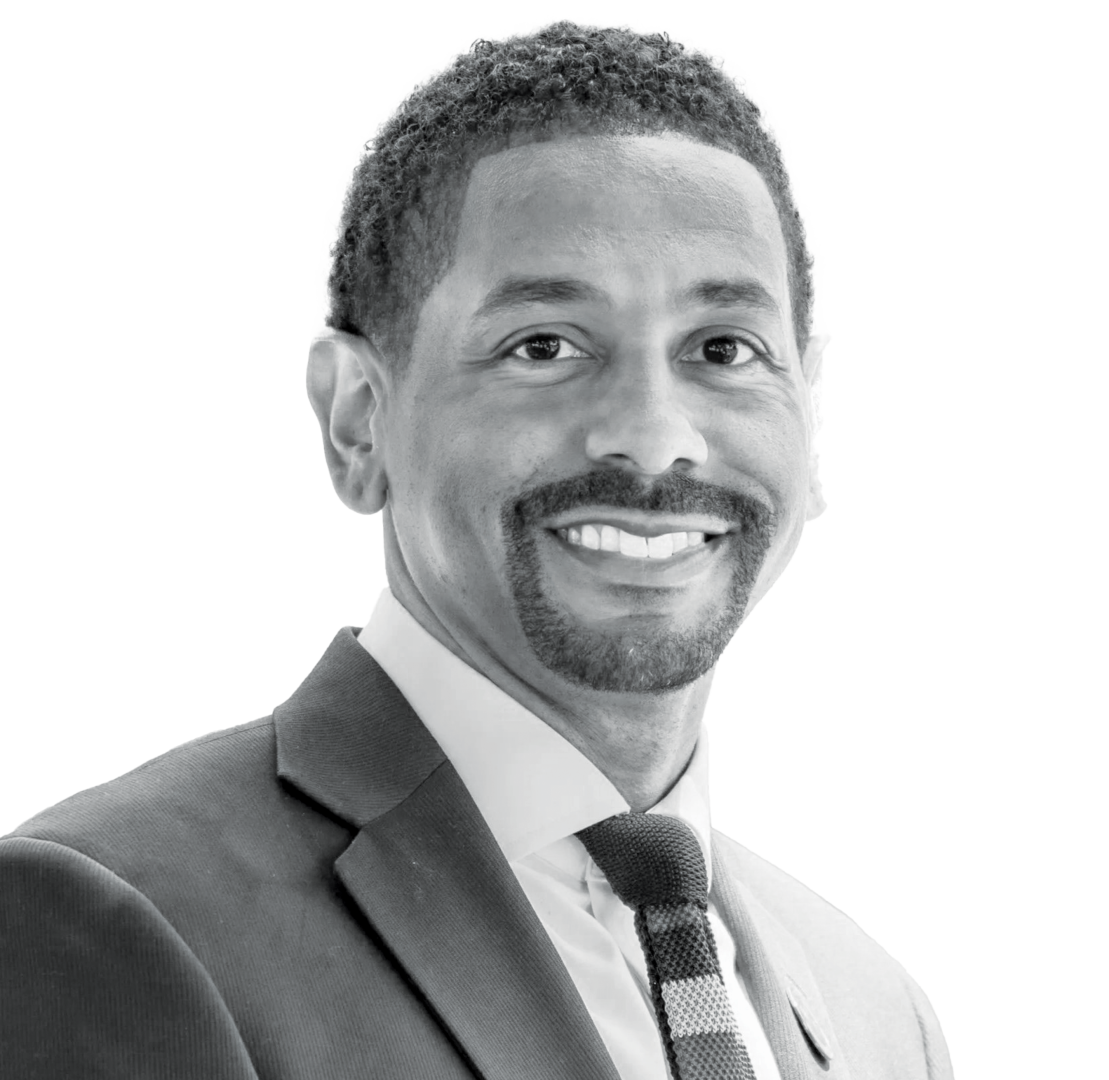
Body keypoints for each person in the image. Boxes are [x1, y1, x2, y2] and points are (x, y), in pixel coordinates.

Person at [0, 18, 952, 1080]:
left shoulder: (881, 1016)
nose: (651, 435)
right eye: (543, 346)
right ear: (357, 420)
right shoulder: (105, 916)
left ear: (811, 411)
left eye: (722, 349)